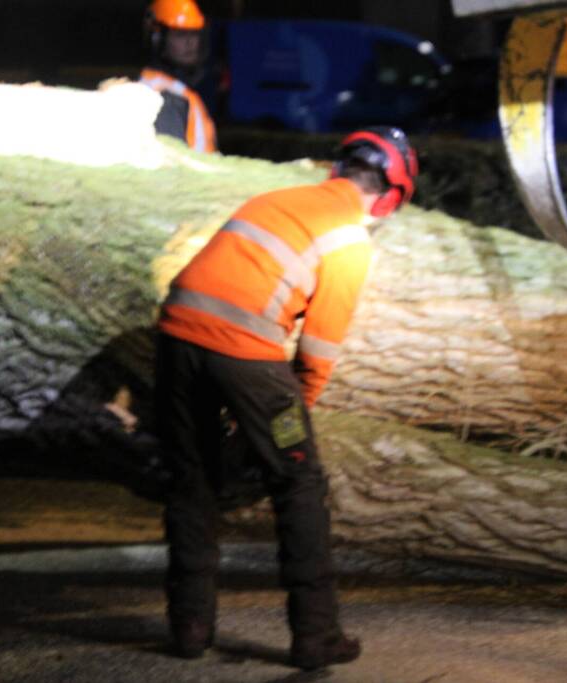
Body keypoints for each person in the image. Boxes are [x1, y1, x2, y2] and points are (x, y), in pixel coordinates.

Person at [153, 127, 418, 670]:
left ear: (336, 170)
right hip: (244, 350)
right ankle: (315, 634)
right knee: (298, 482)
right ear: (391, 196)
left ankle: (190, 627)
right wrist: (295, 418)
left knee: (192, 478)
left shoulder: (272, 199)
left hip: (177, 334)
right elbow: (318, 349)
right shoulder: (348, 238)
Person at [141, 0, 217, 153]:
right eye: (180, 34)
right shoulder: (167, 98)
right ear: (157, 39)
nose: (190, 43)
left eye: (194, 34)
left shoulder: (173, 89)